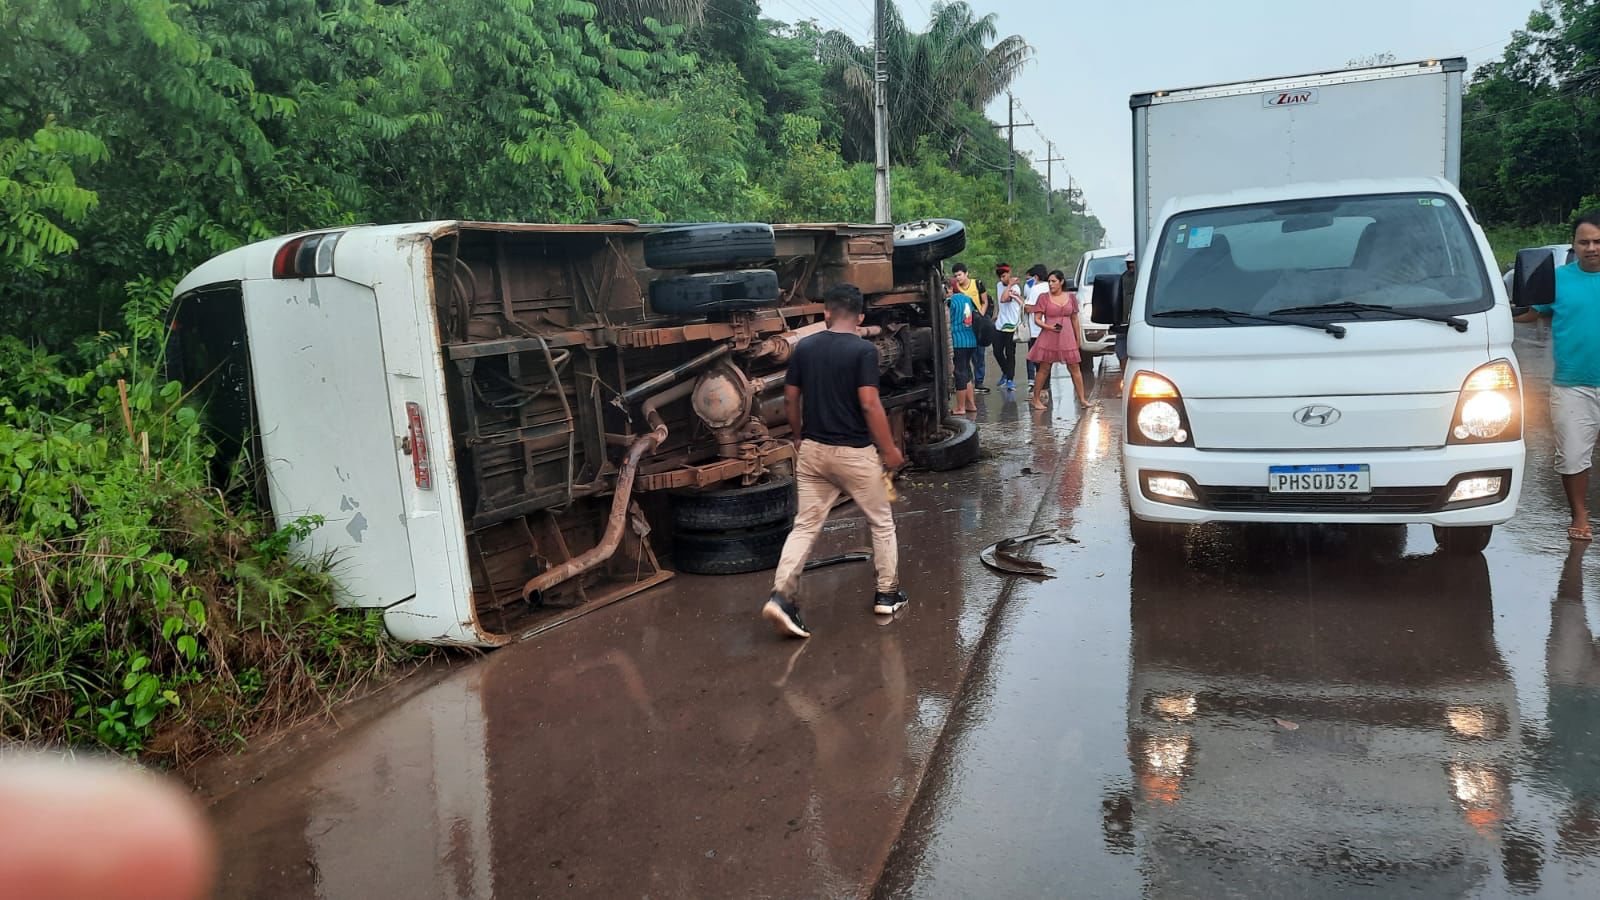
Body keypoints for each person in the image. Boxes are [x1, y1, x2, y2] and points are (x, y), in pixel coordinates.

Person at [762, 284, 908, 639]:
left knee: (806, 525)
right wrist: (888, 449)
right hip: (855, 454)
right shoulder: (863, 351)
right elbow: (870, 404)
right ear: (860, 317)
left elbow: (791, 397)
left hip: (813, 451)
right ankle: (887, 593)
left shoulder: (805, 348)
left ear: (826, 313)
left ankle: (782, 596)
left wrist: (798, 435)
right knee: (881, 521)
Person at [1513, 213, 1600, 541]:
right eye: (1584, 242)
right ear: (1574, 246)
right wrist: (1493, 318)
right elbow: (1533, 312)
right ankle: (1579, 514)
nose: (1591, 248)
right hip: (1572, 385)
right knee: (1572, 455)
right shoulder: (1557, 280)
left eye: (1597, 241)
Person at [1027, 269, 1091, 411]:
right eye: (1049, 281)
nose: (1051, 284)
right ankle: (1036, 398)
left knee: (1074, 367)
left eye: (1054, 281)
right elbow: (1037, 319)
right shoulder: (1044, 297)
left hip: (1067, 334)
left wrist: (1078, 338)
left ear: (1061, 282)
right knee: (1044, 368)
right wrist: (1048, 327)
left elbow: (1075, 318)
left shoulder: (1070, 297)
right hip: (1049, 334)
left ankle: (1082, 399)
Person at [951, 263, 991, 393]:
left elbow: (985, 301)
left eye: (960, 274)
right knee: (968, 357)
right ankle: (970, 382)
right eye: (955, 275)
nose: (958, 278)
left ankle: (979, 382)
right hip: (964, 326)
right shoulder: (955, 289)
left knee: (979, 354)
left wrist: (981, 316)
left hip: (977, 323)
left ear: (966, 273)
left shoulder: (977, 284)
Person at [948, 280, 980, 415]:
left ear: (950, 288)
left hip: (957, 341)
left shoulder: (950, 302)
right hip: (971, 340)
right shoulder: (968, 299)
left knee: (960, 373)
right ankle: (970, 404)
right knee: (967, 372)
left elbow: (946, 320)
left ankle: (960, 407)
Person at [992, 265, 1023, 391]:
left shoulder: (1016, 287)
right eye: (1001, 277)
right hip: (1000, 324)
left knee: (1010, 353)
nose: (1003, 279)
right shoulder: (999, 285)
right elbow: (1000, 301)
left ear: (1009, 273)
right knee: (997, 351)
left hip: (1011, 324)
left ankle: (1010, 379)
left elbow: (1005, 299)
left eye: (1005, 276)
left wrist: (1010, 285)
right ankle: (1005, 372)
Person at [1023, 264, 1048, 388]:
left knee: (1037, 361)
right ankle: (1046, 387)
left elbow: (1028, 308)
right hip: (1049, 328)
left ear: (1036, 277)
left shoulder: (1035, 289)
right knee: (1047, 361)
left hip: (1036, 330)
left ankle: (1040, 389)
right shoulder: (1051, 287)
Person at [1115, 252, 1136, 368]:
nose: (1131, 265)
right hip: (1124, 322)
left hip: (1140, 323)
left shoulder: (1146, 277)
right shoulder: (1123, 278)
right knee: (1122, 352)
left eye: (1133, 262)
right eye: (1129, 263)